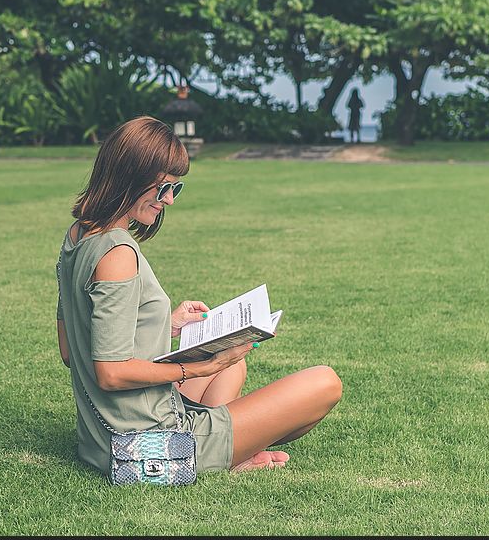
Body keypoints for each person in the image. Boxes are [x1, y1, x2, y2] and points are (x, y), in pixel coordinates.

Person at [55, 115, 342, 478]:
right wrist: (198, 367)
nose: (170, 200)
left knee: (233, 366)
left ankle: (227, 448)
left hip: (99, 440)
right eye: (163, 189)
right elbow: (110, 373)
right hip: (147, 445)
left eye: (177, 188)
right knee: (324, 383)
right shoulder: (118, 254)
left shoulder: (78, 236)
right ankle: (221, 454)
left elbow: (72, 348)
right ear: (129, 176)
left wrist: (166, 324)